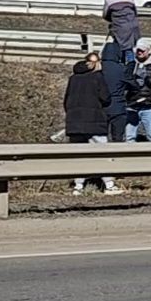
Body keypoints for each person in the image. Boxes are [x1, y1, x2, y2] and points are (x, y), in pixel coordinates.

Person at [64, 52, 118, 195]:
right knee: (103, 153)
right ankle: (109, 185)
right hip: (94, 121)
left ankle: (78, 186)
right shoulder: (97, 77)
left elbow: (66, 101)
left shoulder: (73, 79)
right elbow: (106, 98)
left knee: (78, 156)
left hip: (74, 122)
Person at [102, 0, 140, 141]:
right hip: (133, 28)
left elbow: (105, 15)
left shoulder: (110, 0)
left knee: (119, 48)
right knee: (130, 49)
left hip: (119, 29)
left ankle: (122, 66)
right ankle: (130, 68)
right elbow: (135, 13)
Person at [125, 38, 151, 141]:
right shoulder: (131, 65)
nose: (140, 52)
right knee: (129, 137)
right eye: (138, 50)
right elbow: (124, 83)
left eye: (142, 50)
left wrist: (147, 79)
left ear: (148, 51)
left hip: (149, 106)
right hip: (132, 105)